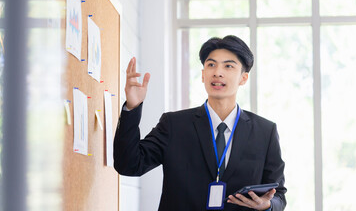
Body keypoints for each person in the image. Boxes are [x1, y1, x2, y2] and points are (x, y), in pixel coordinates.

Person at [114, 35, 286, 211]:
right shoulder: (174, 124)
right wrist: (132, 107)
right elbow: (128, 164)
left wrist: (269, 205)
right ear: (203, 75)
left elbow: (278, 194)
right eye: (211, 65)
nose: (218, 72)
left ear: (243, 78)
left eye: (228, 66)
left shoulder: (265, 132)